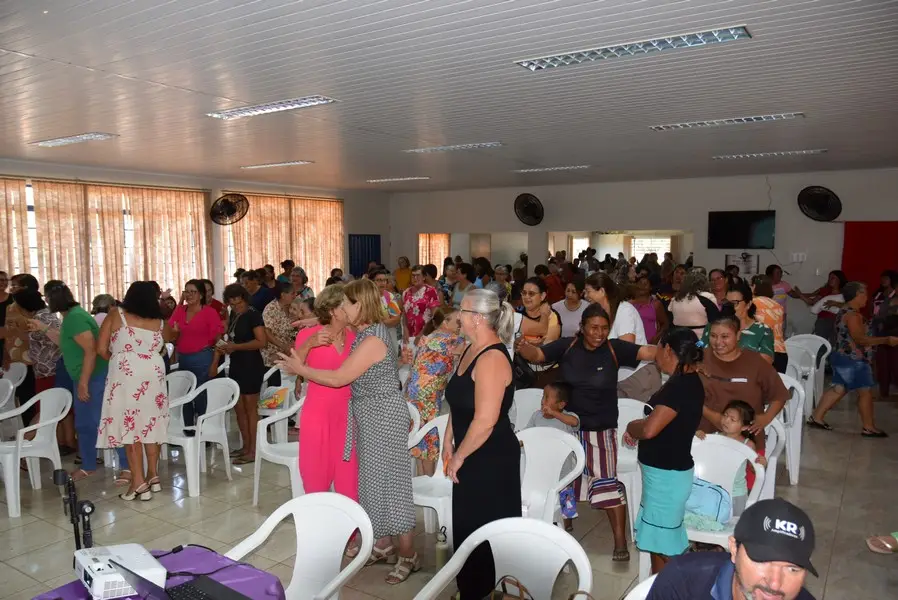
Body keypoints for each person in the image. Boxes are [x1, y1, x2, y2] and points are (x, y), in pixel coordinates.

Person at [279, 279, 417, 585]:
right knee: (371, 484)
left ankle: (409, 554)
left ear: (360, 306)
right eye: (340, 305)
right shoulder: (367, 330)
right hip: (366, 415)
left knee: (392, 485)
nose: (343, 309)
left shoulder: (370, 339)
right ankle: (384, 544)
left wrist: (302, 371)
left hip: (380, 415)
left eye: (348, 303)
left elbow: (340, 378)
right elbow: (336, 322)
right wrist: (316, 323)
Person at [516, 304, 657, 561]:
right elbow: (537, 355)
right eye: (593, 327)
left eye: (604, 328)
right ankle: (565, 531)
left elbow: (647, 351)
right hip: (567, 427)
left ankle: (619, 542)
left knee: (607, 484)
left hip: (600, 430)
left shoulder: (614, 349)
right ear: (582, 327)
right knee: (566, 482)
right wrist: (520, 345)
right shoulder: (568, 346)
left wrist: (673, 351)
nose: (599, 333)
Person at [440, 288, 520, 597]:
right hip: (469, 450)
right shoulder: (469, 349)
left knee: (485, 530)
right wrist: (448, 439)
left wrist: (459, 456)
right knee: (466, 527)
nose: (457, 315)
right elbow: (460, 402)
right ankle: (470, 588)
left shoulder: (492, 358)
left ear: (476, 318)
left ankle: (484, 589)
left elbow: (485, 420)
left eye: (461, 310)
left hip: (490, 459)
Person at [624, 327, 705, 574]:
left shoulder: (679, 386)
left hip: (666, 478)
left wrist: (631, 426)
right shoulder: (686, 381)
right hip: (665, 474)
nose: (655, 354)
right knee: (661, 541)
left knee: (663, 545)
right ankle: (661, 587)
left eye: (657, 348)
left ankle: (671, 588)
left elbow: (649, 430)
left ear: (667, 349)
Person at [646, 498, 818, 600]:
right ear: (734, 550)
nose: (775, 583)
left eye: (792, 568)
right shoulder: (683, 583)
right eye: (762, 561)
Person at [97, 282, 173, 501]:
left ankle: (138, 482)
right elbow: (166, 343)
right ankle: (153, 475)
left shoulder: (116, 314)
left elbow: (101, 349)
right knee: (151, 424)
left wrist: (122, 359)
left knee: (130, 425)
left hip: (126, 375)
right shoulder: (159, 321)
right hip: (153, 373)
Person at [45, 284, 126, 482]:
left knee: (104, 420)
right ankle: (88, 465)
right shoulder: (71, 316)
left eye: (47, 298)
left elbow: (91, 350)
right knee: (84, 424)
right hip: (84, 377)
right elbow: (67, 343)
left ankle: (127, 465)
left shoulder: (75, 318)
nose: (45, 302)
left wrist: (83, 383)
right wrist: (43, 328)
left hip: (93, 377)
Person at [290, 284, 358, 499]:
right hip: (318, 414)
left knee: (349, 481)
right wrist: (309, 343)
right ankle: (320, 529)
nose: (351, 308)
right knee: (315, 477)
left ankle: (350, 532)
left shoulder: (355, 337)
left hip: (348, 415)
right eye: (345, 304)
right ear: (333, 310)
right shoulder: (309, 335)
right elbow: (294, 365)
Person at [807, 282, 898, 437]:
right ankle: (869, 427)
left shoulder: (845, 310)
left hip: (842, 357)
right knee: (865, 392)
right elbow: (860, 339)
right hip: (853, 359)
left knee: (839, 389)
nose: (867, 298)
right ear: (858, 295)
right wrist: (886, 340)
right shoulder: (853, 315)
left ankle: (816, 417)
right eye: (865, 294)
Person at [698, 313, 789, 455]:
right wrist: (710, 414)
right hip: (704, 436)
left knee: (743, 476)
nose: (718, 342)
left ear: (738, 335)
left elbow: (779, 395)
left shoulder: (755, 362)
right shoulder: (699, 359)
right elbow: (684, 395)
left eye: (725, 336)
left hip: (746, 441)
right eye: (713, 336)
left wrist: (766, 417)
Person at [405, 306, 464, 476]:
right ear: (445, 322)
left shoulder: (429, 337)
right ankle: (428, 480)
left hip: (414, 395)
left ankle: (421, 481)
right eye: (458, 322)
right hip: (427, 398)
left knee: (419, 440)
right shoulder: (449, 340)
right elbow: (470, 347)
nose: (461, 326)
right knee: (430, 442)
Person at [585, 273, 659, 402]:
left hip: (637, 376)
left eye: (588, 291)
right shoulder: (598, 314)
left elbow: (626, 348)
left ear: (601, 291)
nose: (585, 296)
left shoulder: (624, 310)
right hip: (616, 378)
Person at [213, 284, 267, 464]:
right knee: (239, 409)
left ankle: (253, 450)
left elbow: (261, 342)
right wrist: (227, 347)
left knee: (251, 410)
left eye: (239, 303)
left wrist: (235, 347)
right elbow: (233, 337)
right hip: (237, 364)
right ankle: (246, 446)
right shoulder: (235, 315)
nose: (236, 306)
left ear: (245, 299)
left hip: (251, 365)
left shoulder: (253, 314)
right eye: (232, 304)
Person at [168, 279, 223, 432]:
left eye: (193, 292)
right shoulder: (180, 310)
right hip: (184, 358)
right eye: (186, 291)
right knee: (184, 394)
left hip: (203, 358)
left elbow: (218, 339)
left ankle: (204, 430)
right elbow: (170, 332)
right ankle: (188, 429)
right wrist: (175, 333)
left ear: (201, 295)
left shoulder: (209, 312)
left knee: (201, 395)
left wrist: (215, 363)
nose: (189, 295)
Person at [524, 381, 580, 532]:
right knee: (541, 489)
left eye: (547, 397)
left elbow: (575, 422)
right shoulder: (536, 416)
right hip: (541, 464)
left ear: (561, 404)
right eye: (543, 396)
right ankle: (543, 515)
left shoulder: (567, 417)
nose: (543, 400)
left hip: (564, 467)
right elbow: (528, 434)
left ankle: (567, 521)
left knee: (565, 493)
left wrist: (555, 414)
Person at [696, 400, 769, 514]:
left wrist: (761, 464)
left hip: (736, 493)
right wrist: (698, 436)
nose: (726, 420)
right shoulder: (713, 438)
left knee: (733, 525)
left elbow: (753, 469)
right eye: (725, 415)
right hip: (713, 489)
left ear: (744, 427)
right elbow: (699, 455)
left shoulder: (747, 444)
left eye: (732, 419)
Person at [11, 289, 60, 438]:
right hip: (47, 370)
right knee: (47, 409)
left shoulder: (39, 319)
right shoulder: (45, 315)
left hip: (49, 370)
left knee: (45, 410)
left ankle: (25, 443)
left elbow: (54, 340)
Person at [701, 284, 775, 364]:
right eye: (727, 303)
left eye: (734, 303)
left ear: (748, 304)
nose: (730, 307)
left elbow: (766, 361)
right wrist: (693, 344)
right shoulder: (712, 326)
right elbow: (700, 344)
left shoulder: (762, 330)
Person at [261, 281, 298, 386]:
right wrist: (283, 346)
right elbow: (266, 332)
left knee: (289, 387)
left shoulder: (293, 307)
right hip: (273, 355)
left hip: (289, 354)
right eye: (292, 293)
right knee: (276, 388)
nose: (295, 296)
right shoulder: (271, 309)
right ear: (283, 295)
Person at [750, 275, 788, 373]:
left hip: (761, 351)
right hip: (779, 351)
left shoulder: (751, 304)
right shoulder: (778, 306)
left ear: (754, 286)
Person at [669, 271, 720, 337]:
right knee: (699, 346)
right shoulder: (707, 296)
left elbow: (670, 318)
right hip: (701, 340)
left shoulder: (675, 299)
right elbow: (715, 320)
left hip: (678, 339)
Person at [401, 264, 441, 343]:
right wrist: (405, 329)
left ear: (423, 277)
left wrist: (421, 333)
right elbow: (404, 314)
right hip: (409, 335)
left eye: (418, 275)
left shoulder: (431, 291)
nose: (415, 278)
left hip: (426, 334)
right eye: (413, 276)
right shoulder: (406, 293)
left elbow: (435, 316)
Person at [630, 273, 669, 345]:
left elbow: (665, 324)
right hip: (632, 344)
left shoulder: (656, 304)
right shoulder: (629, 304)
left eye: (645, 284)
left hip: (650, 345)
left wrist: (657, 337)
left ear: (650, 287)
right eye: (640, 283)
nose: (642, 286)